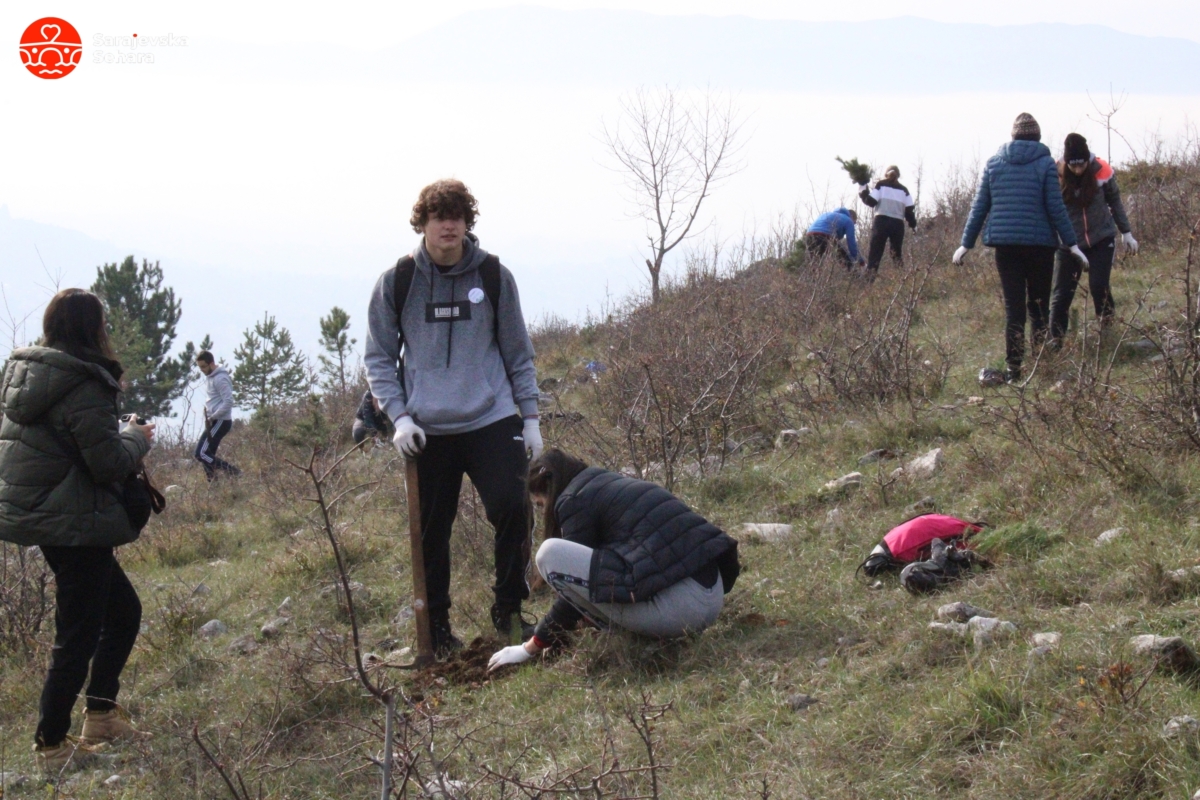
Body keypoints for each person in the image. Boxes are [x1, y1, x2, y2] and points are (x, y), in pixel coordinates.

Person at [365, 179, 542, 655]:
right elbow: (379, 358)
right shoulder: (397, 282)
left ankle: (509, 609)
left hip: (491, 416)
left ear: (468, 223)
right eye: (439, 216)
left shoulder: (493, 276)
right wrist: (399, 417)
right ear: (421, 223)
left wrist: (530, 419)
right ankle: (438, 631)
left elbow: (518, 353)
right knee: (430, 531)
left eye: (458, 216)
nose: (449, 225)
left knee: (513, 506)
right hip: (426, 427)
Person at [0, 289, 155, 773]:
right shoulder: (83, 383)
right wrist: (134, 437)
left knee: (123, 612)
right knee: (79, 634)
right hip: (76, 522)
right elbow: (106, 462)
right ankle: (50, 744)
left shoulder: (30, 375)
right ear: (95, 329)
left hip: (50, 517)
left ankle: (102, 715)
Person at [487, 449, 740, 673]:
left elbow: (572, 593)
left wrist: (529, 647)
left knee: (549, 554)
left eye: (541, 504)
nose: (544, 511)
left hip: (683, 610)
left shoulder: (574, 501)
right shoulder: (609, 484)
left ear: (548, 491)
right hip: (712, 596)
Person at [953, 112, 1089, 383]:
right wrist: (1072, 244)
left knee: (1014, 309)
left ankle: (1014, 369)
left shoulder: (994, 164)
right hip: (1040, 246)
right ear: (1037, 137)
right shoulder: (1046, 164)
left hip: (1006, 247)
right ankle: (1040, 367)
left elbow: (980, 206)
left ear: (1013, 137)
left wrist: (965, 244)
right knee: (1038, 307)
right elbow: (1055, 207)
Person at [1048, 132, 1138, 343]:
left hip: (1101, 239)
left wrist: (1126, 232)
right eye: (1073, 165)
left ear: (1087, 160)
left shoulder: (1102, 170)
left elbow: (1115, 201)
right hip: (1069, 244)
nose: (1078, 169)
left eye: (1081, 165)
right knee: (1061, 295)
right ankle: (1055, 343)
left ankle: (1107, 334)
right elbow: (1049, 207)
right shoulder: (1054, 174)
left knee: (1099, 286)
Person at [859, 165, 918, 274]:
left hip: (881, 222)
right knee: (896, 254)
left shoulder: (881, 185)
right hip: (897, 224)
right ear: (898, 175)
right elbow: (909, 211)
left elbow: (871, 202)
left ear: (886, 174)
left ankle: (868, 283)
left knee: (875, 255)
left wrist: (863, 190)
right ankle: (902, 280)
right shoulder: (904, 190)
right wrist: (913, 225)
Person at [194, 351, 240, 480]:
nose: (202, 370)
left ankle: (233, 471)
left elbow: (229, 401)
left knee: (200, 454)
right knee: (208, 455)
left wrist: (214, 416)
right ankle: (213, 485)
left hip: (220, 421)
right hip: (213, 420)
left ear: (211, 363)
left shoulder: (220, 378)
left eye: (203, 366)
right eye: (200, 367)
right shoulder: (211, 377)